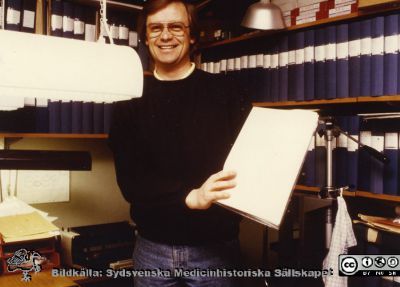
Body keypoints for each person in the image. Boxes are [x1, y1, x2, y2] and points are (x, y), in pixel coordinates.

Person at [108, 0, 251, 286]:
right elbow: (131, 182)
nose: (165, 36)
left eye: (175, 26)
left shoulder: (226, 92)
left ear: (192, 35)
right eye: (155, 28)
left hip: (215, 250)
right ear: (146, 37)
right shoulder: (127, 101)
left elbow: (250, 163)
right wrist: (190, 198)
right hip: (152, 252)